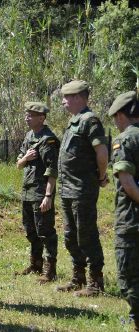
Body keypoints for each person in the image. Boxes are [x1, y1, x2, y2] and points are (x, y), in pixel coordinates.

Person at [56, 80, 109, 296]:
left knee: (86, 235)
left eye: (66, 97)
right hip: (68, 189)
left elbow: (102, 152)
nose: (63, 101)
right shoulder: (74, 122)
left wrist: (101, 176)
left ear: (78, 97)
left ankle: (95, 282)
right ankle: (78, 277)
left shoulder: (90, 120)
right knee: (71, 235)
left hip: (82, 189)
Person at [16, 102, 59, 284]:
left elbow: (53, 170)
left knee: (45, 231)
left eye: (31, 115)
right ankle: (36, 264)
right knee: (30, 230)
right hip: (27, 191)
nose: (27, 118)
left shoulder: (48, 140)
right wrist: (25, 158)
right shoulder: (29, 136)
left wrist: (48, 196)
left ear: (41, 118)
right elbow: (18, 163)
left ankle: (50, 270)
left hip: (41, 193)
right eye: (26, 115)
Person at [108, 91, 139, 331]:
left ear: (121, 115)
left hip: (131, 219)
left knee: (128, 276)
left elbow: (127, 184)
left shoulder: (125, 140)